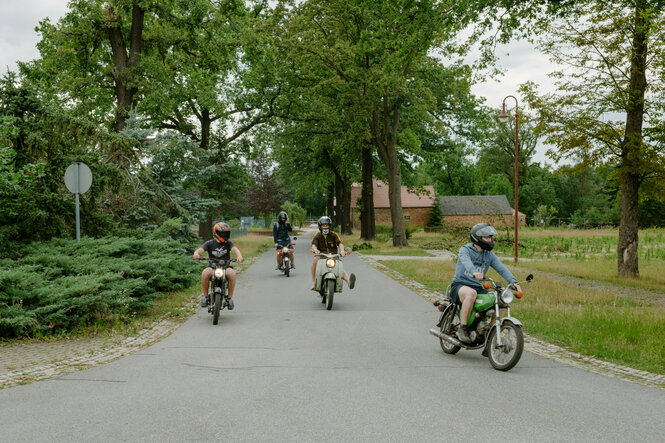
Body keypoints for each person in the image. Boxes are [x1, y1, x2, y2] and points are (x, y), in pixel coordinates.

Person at [450, 223, 521, 343]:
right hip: (460, 285)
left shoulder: (489, 255)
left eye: (490, 237)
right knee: (471, 294)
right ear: (477, 238)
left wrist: (513, 282)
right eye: (486, 238)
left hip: (478, 287)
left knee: (501, 299)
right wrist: (473, 272)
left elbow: (501, 268)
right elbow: (466, 262)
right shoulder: (465, 250)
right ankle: (462, 328)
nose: (489, 240)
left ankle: (492, 332)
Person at [193, 222, 244, 310]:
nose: (225, 235)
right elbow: (200, 250)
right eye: (223, 233)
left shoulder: (228, 243)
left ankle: (229, 298)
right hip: (212, 267)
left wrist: (239, 256)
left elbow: (235, 249)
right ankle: (205, 297)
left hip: (225, 267)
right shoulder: (209, 243)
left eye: (226, 233)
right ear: (216, 233)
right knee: (205, 273)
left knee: (232, 274)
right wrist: (196, 254)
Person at [310, 216, 356, 291]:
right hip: (322, 256)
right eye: (323, 225)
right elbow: (313, 244)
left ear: (330, 226)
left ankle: (349, 282)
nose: (325, 227)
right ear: (320, 226)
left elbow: (340, 243)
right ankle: (313, 282)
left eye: (327, 225)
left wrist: (342, 251)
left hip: (334, 255)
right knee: (315, 260)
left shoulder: (334, 235)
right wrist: (315, 250)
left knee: (340, 268)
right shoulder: (317, 235)